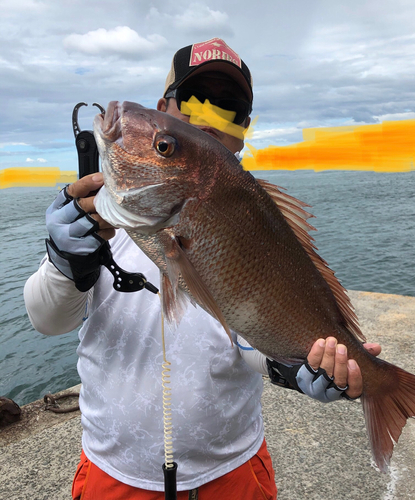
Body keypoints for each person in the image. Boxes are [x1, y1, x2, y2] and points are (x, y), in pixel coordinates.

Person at [24, 38, 381, 500]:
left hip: (233, 470)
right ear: (163, 107)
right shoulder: (99, 222)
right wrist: (65, 262)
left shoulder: (254, 220)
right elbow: (46, 320)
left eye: (228, 108)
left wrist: (294, 366)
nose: (210, 118)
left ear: (244, 130)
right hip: (115, 472)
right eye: (193, 103)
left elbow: (243, 340)